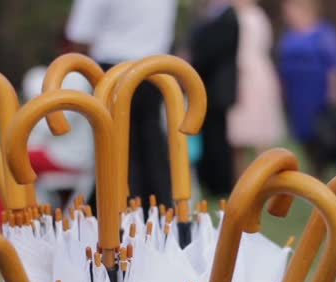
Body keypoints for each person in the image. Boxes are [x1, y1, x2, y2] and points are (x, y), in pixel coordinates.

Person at [65, 0, 178, 212]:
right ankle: (162, 214)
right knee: (151, 144)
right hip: (154, 69)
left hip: (112, 71)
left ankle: (121, 214)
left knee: (115, 148)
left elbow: (79, 35)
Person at [278, 0, 336, 179]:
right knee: (303, 134)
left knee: (320, 135)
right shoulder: (289, 35)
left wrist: (334, 94)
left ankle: (321, 172)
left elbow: (334, 66)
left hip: (316, 91)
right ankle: (310, 171)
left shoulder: (324, 33)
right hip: (296, 93)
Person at [227, 0, 285, 180]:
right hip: (255, 75)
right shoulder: (257, 17)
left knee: (254, 133)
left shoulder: (247, 18)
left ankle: (257, 180)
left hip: (249, 78)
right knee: (244, 134)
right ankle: (250, 180)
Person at [190, 0, 240, 196]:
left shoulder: (229, 17)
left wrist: (195, 59)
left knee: (218, 140)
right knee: (209, 138)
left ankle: (221, 185)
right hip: (206, 87)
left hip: (218, 89)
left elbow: (214, 48)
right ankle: (210, 181)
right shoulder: (209, 15)